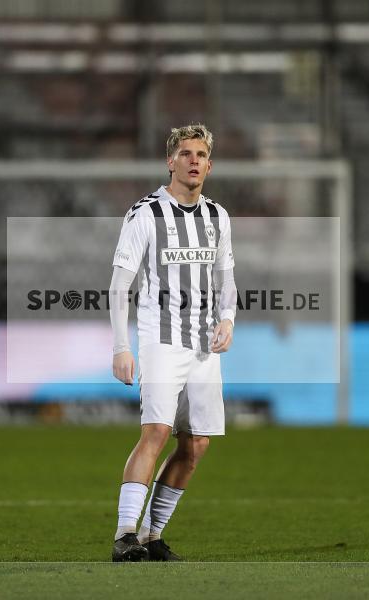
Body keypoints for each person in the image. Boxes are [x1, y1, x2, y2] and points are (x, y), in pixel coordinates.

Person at [108, 123, 237, 562]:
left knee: (196, 443)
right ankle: (125, 534)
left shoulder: (217, 216)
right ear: (171, 161)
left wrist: (228, 319)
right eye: (185, 153)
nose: (194, 160)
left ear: (209, 164)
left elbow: (226, 276)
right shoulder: (145, 214)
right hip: (161, 341)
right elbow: (119, 285)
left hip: (204, 347)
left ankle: (151, 535)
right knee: (157, 431)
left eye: (201, 154)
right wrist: (120, 347)